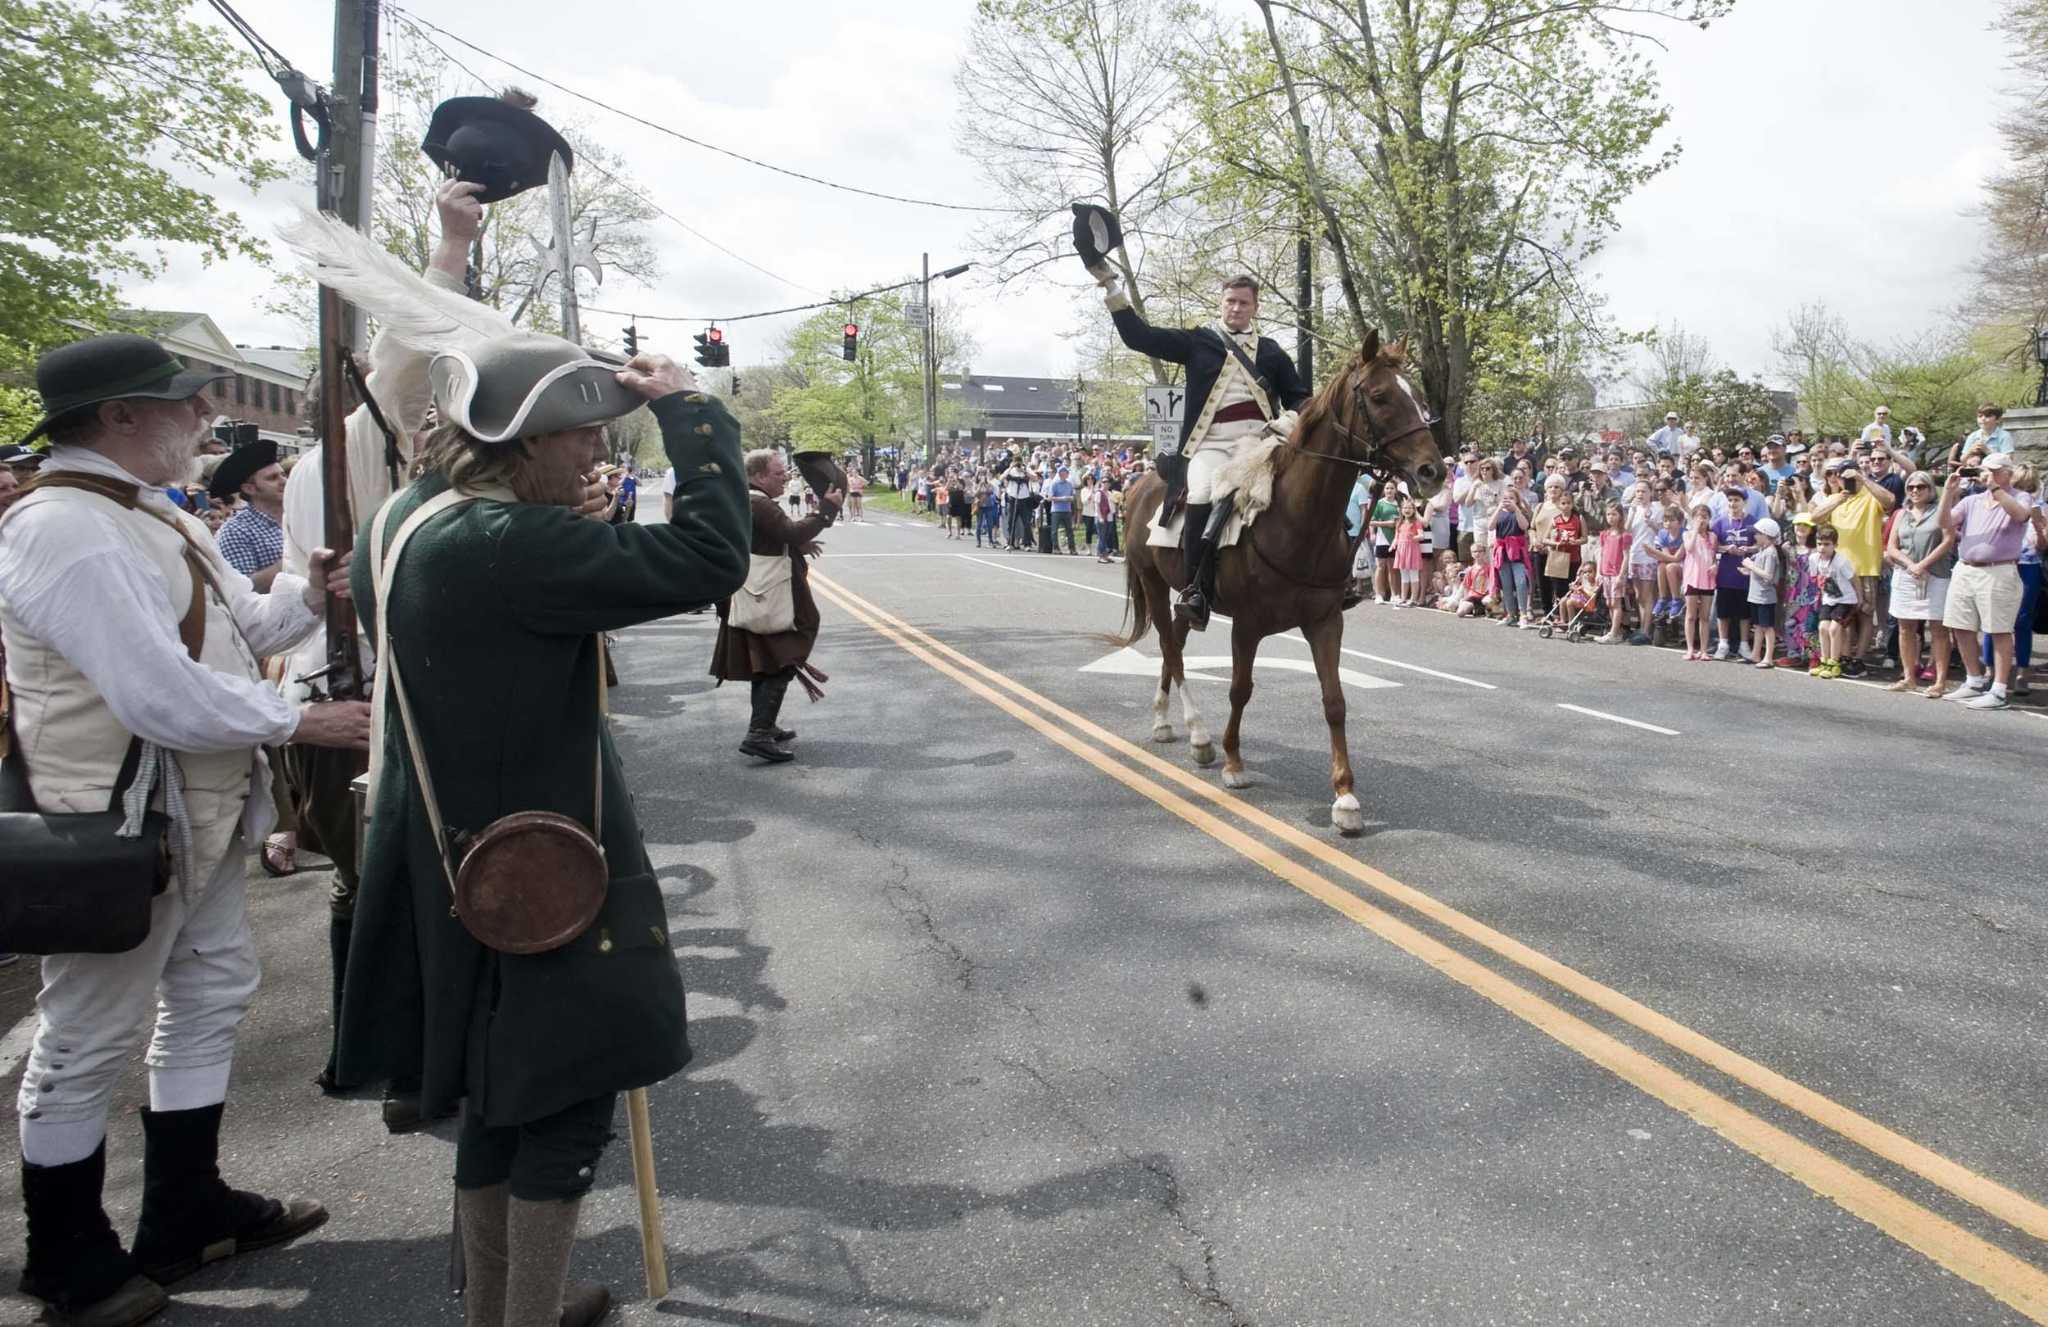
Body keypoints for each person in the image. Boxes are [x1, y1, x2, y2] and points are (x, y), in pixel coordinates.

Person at [341, 340, 747, 1327]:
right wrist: (692, 413)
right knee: (562, 1110)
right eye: (582, 435)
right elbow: (708, 557)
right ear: (524, 443)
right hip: (542, 872)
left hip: (458, 861)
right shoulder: (510, 546)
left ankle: (495, 1309)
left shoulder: (404, 519)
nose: (594, 454)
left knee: (497, 1098)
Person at [1, 333, 372, 1325]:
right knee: (86, 1034)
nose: (203, 419)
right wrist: (300, 718)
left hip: (188, 810)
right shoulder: (65, 526)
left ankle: (185, 1209)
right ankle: (68, 1258)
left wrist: (307, 590)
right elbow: (155, 693)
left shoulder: (141, 514)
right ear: (118, 418)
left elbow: (244, 631)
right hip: (117, 825)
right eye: (183, 405)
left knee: (208, 991)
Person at [1090, 267, 1309, 628]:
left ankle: (1332, 574)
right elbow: (1139, 337)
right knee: (1203, 491)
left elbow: (1300, 397)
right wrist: (1112, 286)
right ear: (1221, 304)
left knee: (1306, 486)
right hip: (1210, 445)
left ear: (1255, 307)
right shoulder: (1198, 342)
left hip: (1261, 446)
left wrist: (1294, 418)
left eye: (1243, 303)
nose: (1236, 308)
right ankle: (1195, 589)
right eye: (1230, 301)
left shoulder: (1271, 352)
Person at [712, 449, 843, 760]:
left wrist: (795, 541)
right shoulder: (758, 503)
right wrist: (826, 510)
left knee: (769, 661)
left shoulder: (752, 500)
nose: (785, 476)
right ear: (758, 476)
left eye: (784, 471)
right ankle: (758, 732)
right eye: (777, 472)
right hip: (770, 594)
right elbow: (789, 530)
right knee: (782, 657)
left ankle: (764, 726)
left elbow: (775, 536)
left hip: (762, 591)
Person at [1938, 452, 2034, 709]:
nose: (1987, 475)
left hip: (1999, 570)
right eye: (1986, 471)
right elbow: (1944, 523)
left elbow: (2021, 515)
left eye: (1993, 471)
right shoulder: (1972, 501)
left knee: (1999, 629)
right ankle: (1973, 680)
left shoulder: (2019, 496)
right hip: (1966, 568)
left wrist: (1994, 488)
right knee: (1960, 625)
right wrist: (1948, 493)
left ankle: (2000, 689)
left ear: (2007, 473)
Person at [1807, 455, 1894, 671]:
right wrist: (1837, 498)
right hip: (1837, 571)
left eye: (1850, 474)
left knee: (1864, 614)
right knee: (1842, 617)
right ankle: (1843, 656)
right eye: (1842, 475)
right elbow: (1815, 518)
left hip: (1865, 567)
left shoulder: (1869, 495)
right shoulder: (1837, 498)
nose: (1848, 479)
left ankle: (1859, 658)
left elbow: (1890, 501)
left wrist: (1863, 479)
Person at [1885, 470, 1956, 697]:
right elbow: (1892, 547)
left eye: (1921, 486)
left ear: (1930, 489)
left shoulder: (1940, 512)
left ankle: (1940, 681)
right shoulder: (1900, 514)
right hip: (1906, 574)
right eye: (1911, 487)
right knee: (1906, 626)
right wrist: (1910, 564)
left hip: (1935, 574)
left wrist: (1924, 564)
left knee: (1938, 628)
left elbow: (1948, 540)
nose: (1915, 491)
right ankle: (1909, 677)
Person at [210, 441, 287, 589]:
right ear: (250, 489)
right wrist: (291, 561)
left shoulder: (297, 517)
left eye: (283, 475)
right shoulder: (235, 531)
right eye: (272, 478)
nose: (284, 481)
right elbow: (243, 589)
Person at [1711, 483, 1759, 661]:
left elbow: (1760, 545)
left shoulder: (1753, 522)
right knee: (1723, 612)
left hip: (1745, 576)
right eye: (1730, 500)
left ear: (1744, 502)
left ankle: (1744, 645)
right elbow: (1713, 545)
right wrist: (1726, 548)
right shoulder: (1719, 522)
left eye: (1736, 500)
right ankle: (1723, 644)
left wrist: (1749, 548)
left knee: (1744, 613)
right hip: (1725, 575)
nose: (1733, 503)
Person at [1807, 524, 1858, 678]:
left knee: (1834, 629)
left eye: (1827, 544)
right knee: (1823, 627)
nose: (1822, 548)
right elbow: (1816, 578)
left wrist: (1860, 598)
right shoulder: (1814, 558)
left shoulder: (1841, 562)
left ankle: (1834, 663)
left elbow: (1855, 580)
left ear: (1835, 545)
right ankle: (1824, 661)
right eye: (1819, 544)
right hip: (1828, 599)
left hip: (1845, 600)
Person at [1739, 518, 1783, 668]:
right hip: (1757, 595)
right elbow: (1761, 573)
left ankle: (1768, 657)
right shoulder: (1763, 551)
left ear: (1766, 534)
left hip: (1765, 597)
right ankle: (1755, 654)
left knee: (1767, 627)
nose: (1755, 536)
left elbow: (1769, 575)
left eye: (1758, 533)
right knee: (1758, 625)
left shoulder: (1770, 552)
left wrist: (1751, 566)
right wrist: (1748, 571)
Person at [1490, 485, 1535, 627]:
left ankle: (1523, 614)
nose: (1508, 501)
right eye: (1505, 498)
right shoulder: (1499, 512)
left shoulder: (1519, 512)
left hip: (1516, 551)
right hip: (1502, 551)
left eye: (1511, 498)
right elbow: (1490, 526)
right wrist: (1498, 508)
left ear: (1516, 500)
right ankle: (1510, 613)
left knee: (1521, 582)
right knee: (1506, 584)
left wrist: (1516, 509)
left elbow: (1524, 526)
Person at [1782, 513, 1821, 668]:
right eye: (1798, 524)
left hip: (1811, 591)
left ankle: (1813, 655)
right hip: (1793, 591)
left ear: (1812, 529)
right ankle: (1794, 654)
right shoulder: (1787, 547)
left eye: (1805, 525)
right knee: (1790, 623)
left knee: (1809, 624)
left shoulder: (1816, 549)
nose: (1801, 528)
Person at [1680, 501, 1718, 660]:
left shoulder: (1713, 536)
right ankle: (1690, 649)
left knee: (1704, 616)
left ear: (1709, 519)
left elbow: (1715, 556)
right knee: (1690, 615)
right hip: (1692, 578)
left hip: (1708, 580)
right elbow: (1689, 548)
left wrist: (1716, 566)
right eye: (1698, 517)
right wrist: (1695, 529)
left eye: (1705, 517)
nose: (1701, 520)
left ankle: (1703, 649)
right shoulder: (1687, 534)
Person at [1595, 503, 1633, 643]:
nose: (1611, 517)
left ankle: (1614, 632)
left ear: (1620, 516)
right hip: (1605, 572)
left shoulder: (1624, 535)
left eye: (1614, 514)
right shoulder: (1604, 534)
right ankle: (1614, 631)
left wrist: (1621, 575)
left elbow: (1626, 556)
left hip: (1616, 573)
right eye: (1608, 514)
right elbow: (1601, 553)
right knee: (1609, 602)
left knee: (1616, 602)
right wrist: (1599, 572)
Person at [1391, 497, 1424, 607]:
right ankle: (1403, 597)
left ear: (1414, 510)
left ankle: (1413, 598)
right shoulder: (1399, 522)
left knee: (1413, 575)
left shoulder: (1416, 522)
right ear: (1401, 509)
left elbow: (1421, 536)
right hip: (1401, 551)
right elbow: (1396, 537)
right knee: (1404, 576)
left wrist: (1414, 537)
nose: (1407, 510)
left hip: (1412, 551)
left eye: (1409, 508)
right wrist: (1393, 545)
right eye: (1405, 507)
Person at [1046, 464, 1078, 553]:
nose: (1063, 475)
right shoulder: (1054, 484)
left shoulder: (1069, 484)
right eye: (1061, 473)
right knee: (1054, 530)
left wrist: (1071, 498)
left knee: (1069, 530)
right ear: (1059, 474)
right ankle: (1055, 548)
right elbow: (1050, 497)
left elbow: (1072, 496)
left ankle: (1072, 548)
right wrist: (1062, 498)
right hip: (1056, 510)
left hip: (1067, 509)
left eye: (1065, 473)